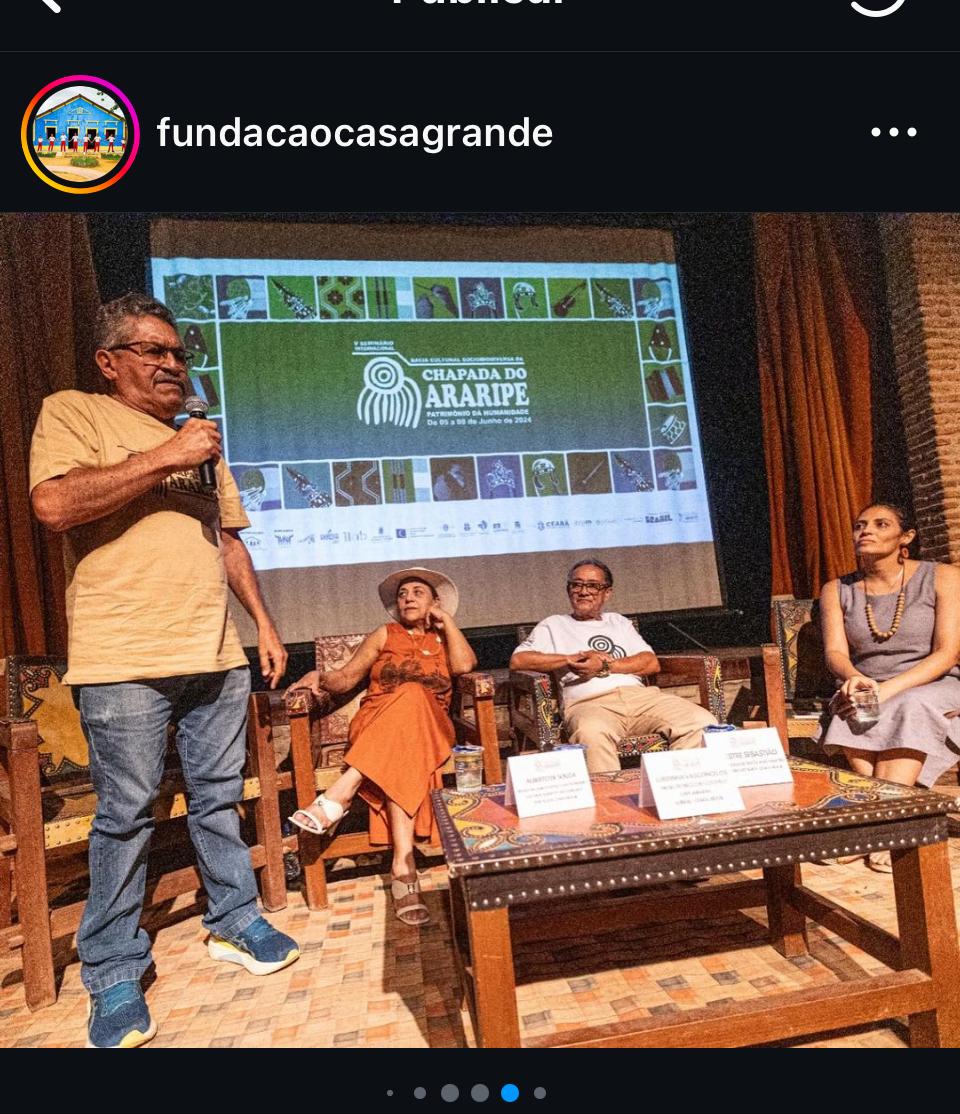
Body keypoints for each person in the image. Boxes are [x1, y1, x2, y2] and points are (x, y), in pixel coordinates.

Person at [29, 293, 298, 1049]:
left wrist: (263, 624)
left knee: (218, 799)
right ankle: (113, 970)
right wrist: (164, 457)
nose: (173, 364)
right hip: (123, 658)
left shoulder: (200, 440)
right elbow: (53, 506)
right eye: (153, 350)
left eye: (179, 353)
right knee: (125, 814)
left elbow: (228, 540)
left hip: (214, 652)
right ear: (109, 361)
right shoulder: (75, 412)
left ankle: (235, 919)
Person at [287, 567, 477, 927]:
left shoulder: (446, 638)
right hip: (376, 724)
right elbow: (346, 678)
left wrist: (447, 623)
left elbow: (464, 665)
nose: (407, 598)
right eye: (403, 594)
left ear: (436, 602)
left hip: (432, 728)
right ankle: (404, 866)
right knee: (403, 748)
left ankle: (343, 790)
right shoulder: (384, 634)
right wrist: (320, 677)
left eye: (418, 592)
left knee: (413, 694)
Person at [818, 503, 960, 873]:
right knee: (853, 706)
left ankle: (877, 828)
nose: (866, 531)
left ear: (906, 537)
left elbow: (947, 653)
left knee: (909, 705)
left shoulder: (943, 577)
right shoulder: (836, 589)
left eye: (881, 524)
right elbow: (835, 652)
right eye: (860, 525)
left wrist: (888, 690)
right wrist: (853, 677)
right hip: (868, 684)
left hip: (933, 684)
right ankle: (886, 822)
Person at [510, 558, 717, 773]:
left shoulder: (618, 622)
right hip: (590, 704)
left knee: (700, 721)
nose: (583, 591)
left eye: (592, 586)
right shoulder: (553, 625)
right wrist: (569, 659)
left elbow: (650, 662)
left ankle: (677, 787)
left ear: (607, 593)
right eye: (576, 584)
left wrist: (604, 667)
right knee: (592, 733)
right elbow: (519, 660)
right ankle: (609, 793)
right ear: (568, 590)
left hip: (642, 700)